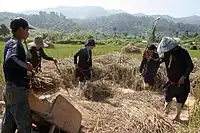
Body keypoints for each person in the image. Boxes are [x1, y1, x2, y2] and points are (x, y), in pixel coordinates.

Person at [1, 17, 34, 133]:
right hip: (17, 91)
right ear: (20, 29)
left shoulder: (10, 42)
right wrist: (26, 66)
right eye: (27, 29)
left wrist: (26, 71)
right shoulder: (15, 43)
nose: (28, 32)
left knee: (9, 124)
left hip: (10, 90)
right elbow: (10, 59)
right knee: (24, 125)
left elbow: (12, 64)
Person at [157, 36, 194, 121]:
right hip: (171, 81)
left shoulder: (184, 53)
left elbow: (190, 66)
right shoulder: (167, 53)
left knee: (180, 100)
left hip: (182, 83)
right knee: (167, 98)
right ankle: (165, 116)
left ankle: (177, 117)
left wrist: (184, 77)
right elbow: (159, 61)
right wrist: (150, 58)